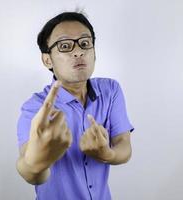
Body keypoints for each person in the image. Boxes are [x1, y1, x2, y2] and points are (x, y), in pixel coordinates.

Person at [15, 11, 134, 200]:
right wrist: (35, 164)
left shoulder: (110, 91)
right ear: (47, 59)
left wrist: (107, 154)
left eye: (85, 43)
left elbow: (124, 147)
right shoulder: (35, 108)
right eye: (65, 46)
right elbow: (28, 168)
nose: (78, 51)